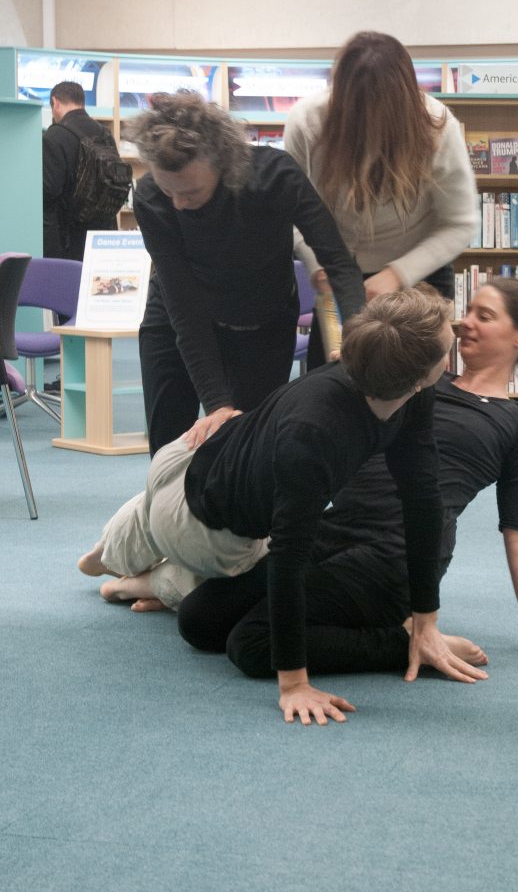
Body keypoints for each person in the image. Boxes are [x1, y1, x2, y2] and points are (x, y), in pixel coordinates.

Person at [78, 286, 484, 725]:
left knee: (195, 617)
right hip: (197, 525)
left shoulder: (403, 386)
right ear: (420, 375)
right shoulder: (315, 436)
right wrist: (295, 683)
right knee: (187, 560)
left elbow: (422, 496)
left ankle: (120, 571)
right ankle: (145, 577)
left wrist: (426, 620)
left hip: (192, 461)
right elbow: (288, 561)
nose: (458, 336)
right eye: (449, 341)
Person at [174, 278, 518, 679]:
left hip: (397, 556)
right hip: (337, 527)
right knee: (198, 621)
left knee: (252, 644)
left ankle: (404, 642)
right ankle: (388, 628)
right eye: (468, 310)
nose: (465, 323)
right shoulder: (413, 377)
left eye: (484, 315)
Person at [124, 90, 365, 456]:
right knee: (171, 450)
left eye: (189, 191)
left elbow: (337, 261)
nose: (178, 204)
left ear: (222, 163)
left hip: (262, 322)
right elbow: (184, 306)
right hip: (179, 320)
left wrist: (358, 334)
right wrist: (217, 402)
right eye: (167, 188)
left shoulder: (275, 177)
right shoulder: (151, 198)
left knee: (248, 450)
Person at [284, 30, 478, 367]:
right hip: (336, 272)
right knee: (331, 380)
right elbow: (290, 212)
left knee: (417, 386)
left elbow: (459, 224)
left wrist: (397, 275)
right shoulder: (307, 122)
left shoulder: (438, 127)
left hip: (417, 273)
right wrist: (318, 266)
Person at [42, 81, 119, 261]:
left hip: (69, 239)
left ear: (55, 102)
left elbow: (49, 190)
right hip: (104, 234)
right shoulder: (105, 134)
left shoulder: (54, 136)